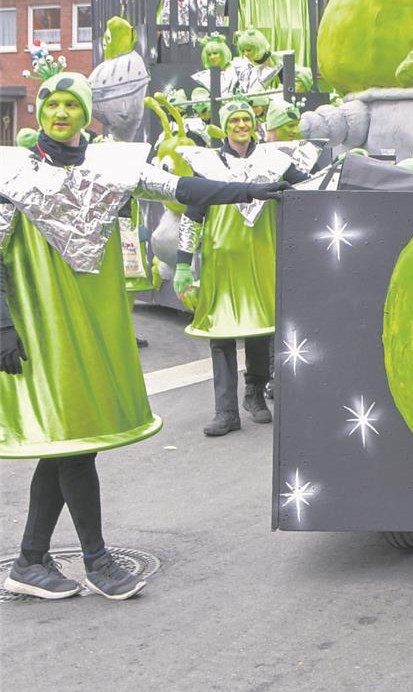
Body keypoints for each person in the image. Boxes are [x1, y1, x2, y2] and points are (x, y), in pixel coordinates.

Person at [0, 72, 287, 600]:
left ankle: (29, 559)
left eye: (71, 105)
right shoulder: (11, 172)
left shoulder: (111, 165)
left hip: (90, 329)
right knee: (76, 446)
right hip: (39, 332)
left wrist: (249, 189)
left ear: (86, 115)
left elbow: (178, 187)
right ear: (39, 111)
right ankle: (98, 561)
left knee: (67, 444)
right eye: (52, 104)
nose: (60, 113)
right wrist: (2, 327)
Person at [174, 99, 309, 436]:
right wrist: (182, 265)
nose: (240, 125)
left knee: (261, 330)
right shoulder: (207, 164)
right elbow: (192, 217)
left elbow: (308, 189)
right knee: (220, 334)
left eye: (245, 119)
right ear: (225, 124)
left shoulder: (274, 161)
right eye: (233, 120)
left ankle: (255, 395)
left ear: (254, 124)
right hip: (220, 263)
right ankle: (226, 411)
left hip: (263, 259)